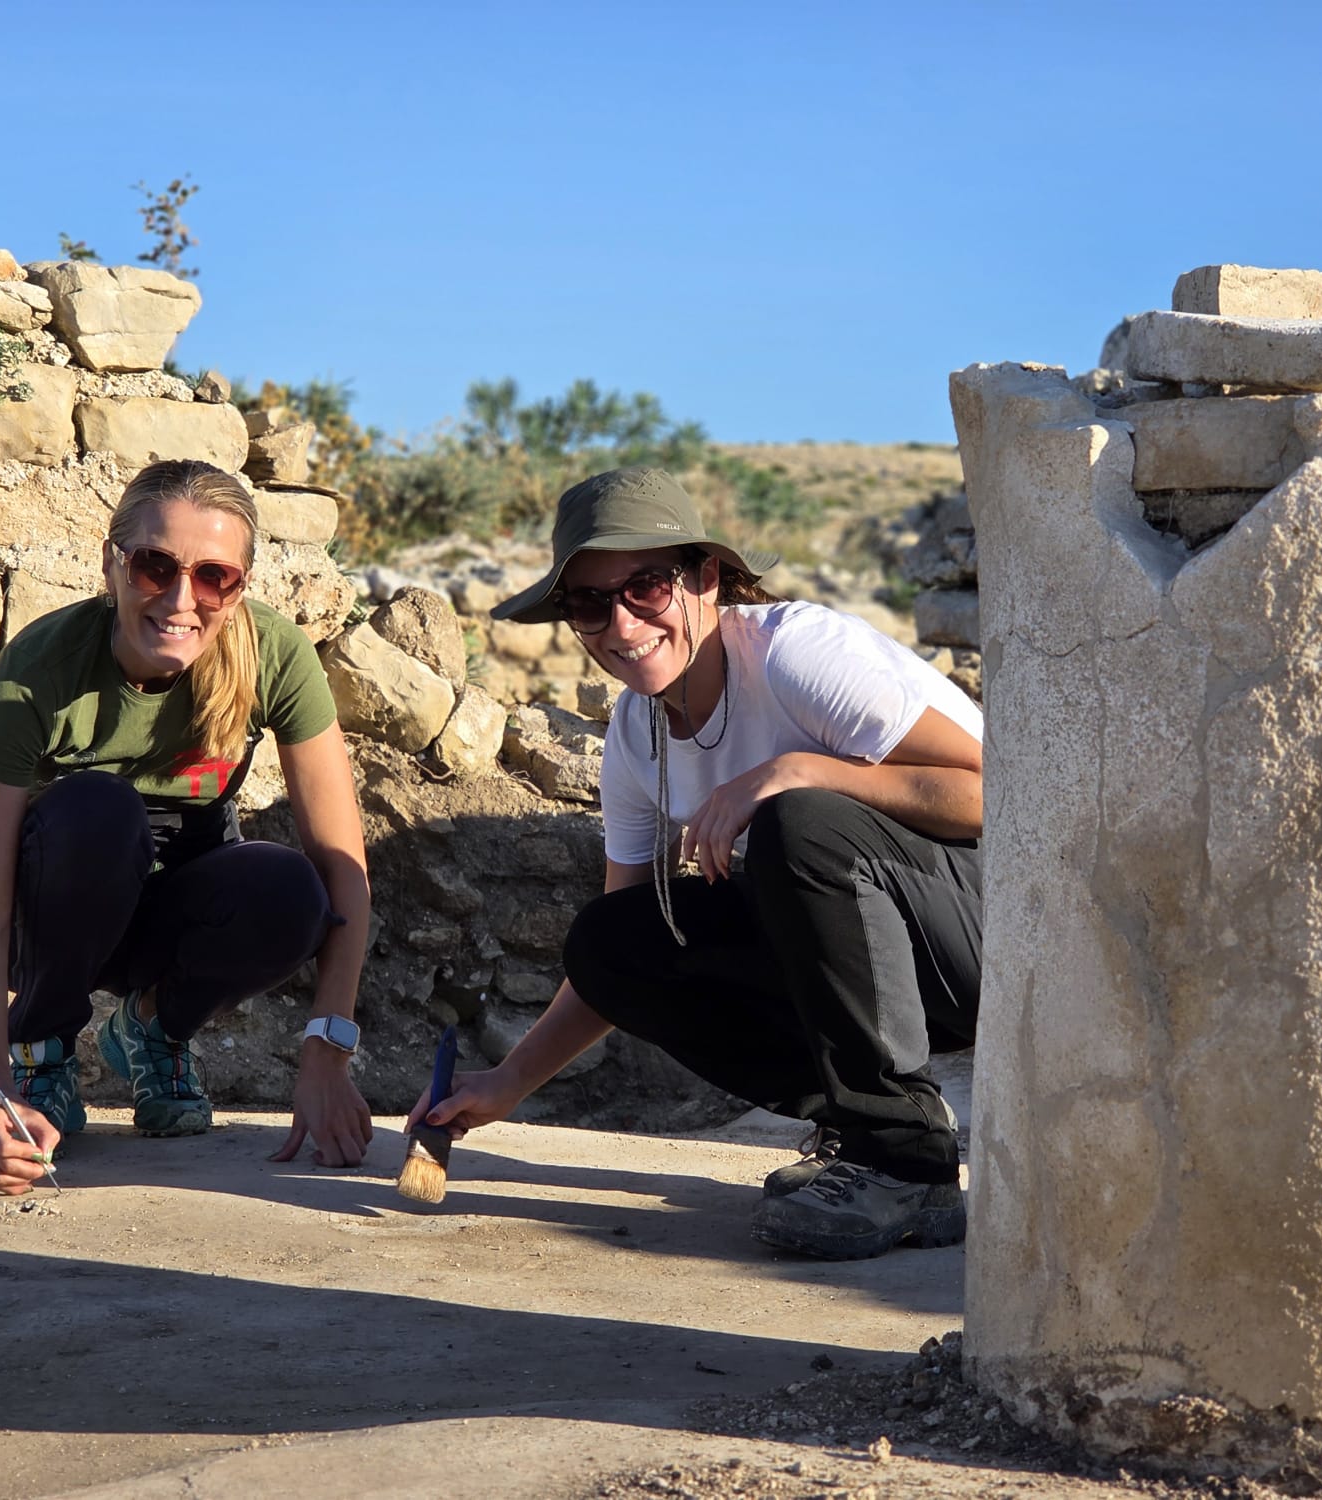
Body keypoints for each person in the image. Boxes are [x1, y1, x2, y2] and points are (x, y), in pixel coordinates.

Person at [409, 466, 984, 1259]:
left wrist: (799, 770)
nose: (621, 623)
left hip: (1003, 941)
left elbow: (1003, 793)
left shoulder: (796, 656)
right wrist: (507, 1082)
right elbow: (615, 962)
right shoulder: (634, 736)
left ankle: (905, 1163)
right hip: (884, 963)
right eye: (589, 603)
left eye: (645, 587)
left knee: (801, 821)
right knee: (613, 939)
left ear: (705, 578)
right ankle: (864, 1124)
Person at [0, 458, 375, 1196]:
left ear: (239, 589)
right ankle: (41, 1052)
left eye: (214, 577)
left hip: (160, 914)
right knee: (100, 810)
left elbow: (345, 871)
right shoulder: (37, 674)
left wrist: (327, 1053)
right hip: (33, 913)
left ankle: (154, 1027)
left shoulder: (274, 656)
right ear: (112, 565)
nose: (181, 599)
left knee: (291, 890)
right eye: (155, 566)